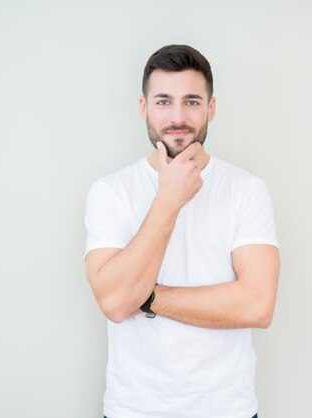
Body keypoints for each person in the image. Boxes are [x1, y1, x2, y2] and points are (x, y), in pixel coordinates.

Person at [84, 44, 280, 418]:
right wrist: (168, 199)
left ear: (211, 108)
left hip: (228, 410)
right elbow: (113, 303)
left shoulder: (245, 189)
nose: (178, 116)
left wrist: (145, 297)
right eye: (163, 102)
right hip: (133, 410)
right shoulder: (110, 192)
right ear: (144, 108)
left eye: (191, 101)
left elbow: (257, 304)